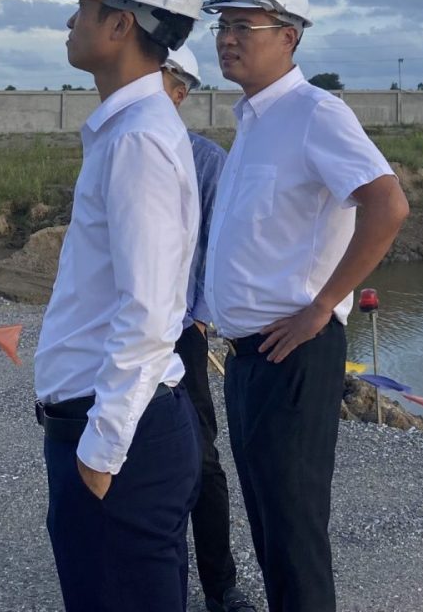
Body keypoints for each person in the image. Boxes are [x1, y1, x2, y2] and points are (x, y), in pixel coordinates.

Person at [201, 0, 410, 612]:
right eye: (223, 26)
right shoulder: (255, 121)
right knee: (270, 529)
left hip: (293, 353)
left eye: (245, 26)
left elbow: (387, 205)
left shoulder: (316, 113)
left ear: (289, 36)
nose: (227, 39)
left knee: (294, 536)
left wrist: (323, 306)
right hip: (248, 357)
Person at [33, 0, 206, 612]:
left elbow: (151, 311)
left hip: (118, 436)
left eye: (83, 6)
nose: (70, 21)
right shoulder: (130, 130)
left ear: (120, 24)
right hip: (113, 424)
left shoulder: (138, 140)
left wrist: (101, 453)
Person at [160, 46, 256, 612]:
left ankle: (221, 587)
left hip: (180, 331)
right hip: (121, 331)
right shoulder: (111, 148)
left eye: (159, 79)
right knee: (124, 451)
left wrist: (199, 315)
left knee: (201, 459)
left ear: (180, 92)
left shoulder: (206, 161)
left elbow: (217, 247)